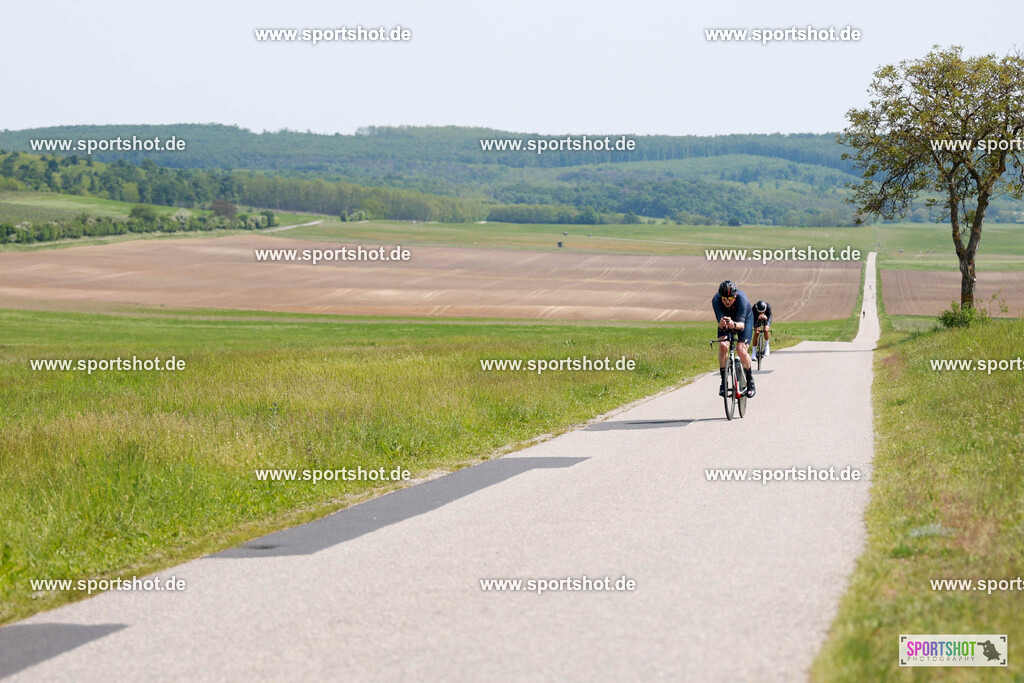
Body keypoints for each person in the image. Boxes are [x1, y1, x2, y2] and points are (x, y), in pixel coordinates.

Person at [712, 280, 755, 398]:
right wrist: (722, 323)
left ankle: (750, 380)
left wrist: (734, 325)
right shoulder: (716, 300)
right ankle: (723, 382)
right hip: (727, 319)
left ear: (735, 296)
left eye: (730, 298)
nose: (726, 301)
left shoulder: (742, 300)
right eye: (724, 298)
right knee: (723, 345)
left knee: (741, 349)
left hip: (744, 319)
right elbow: (720, 325)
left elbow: (741, 325)